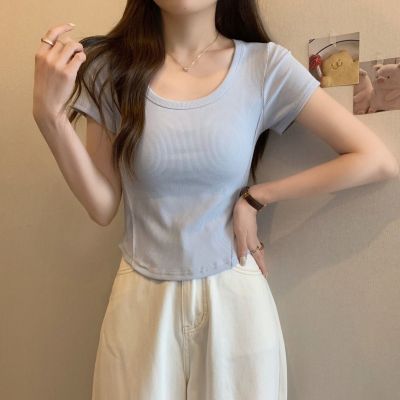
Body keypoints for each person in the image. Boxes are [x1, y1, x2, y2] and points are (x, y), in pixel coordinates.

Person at [32, 1, 399, 399]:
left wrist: (258, 196)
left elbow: (375, 159)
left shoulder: (264, 65)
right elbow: (103, 206)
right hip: (141, 299)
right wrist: (50, 119)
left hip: (234, 295)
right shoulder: (110, 69)